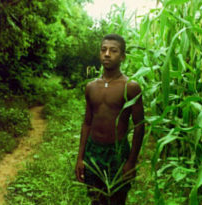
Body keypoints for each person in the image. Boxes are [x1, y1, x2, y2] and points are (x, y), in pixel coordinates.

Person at [75, 34, 145, 205]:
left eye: (113, 51)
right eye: (103, 50)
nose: (107, 54)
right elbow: (87, 123)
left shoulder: (131, 87)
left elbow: (139, 126)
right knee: (95, 199)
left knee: (117, 199)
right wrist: (80, 157)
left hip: (117, 153)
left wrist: (131, 161)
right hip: (93, 151)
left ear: (122, 57)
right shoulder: (91, 87)